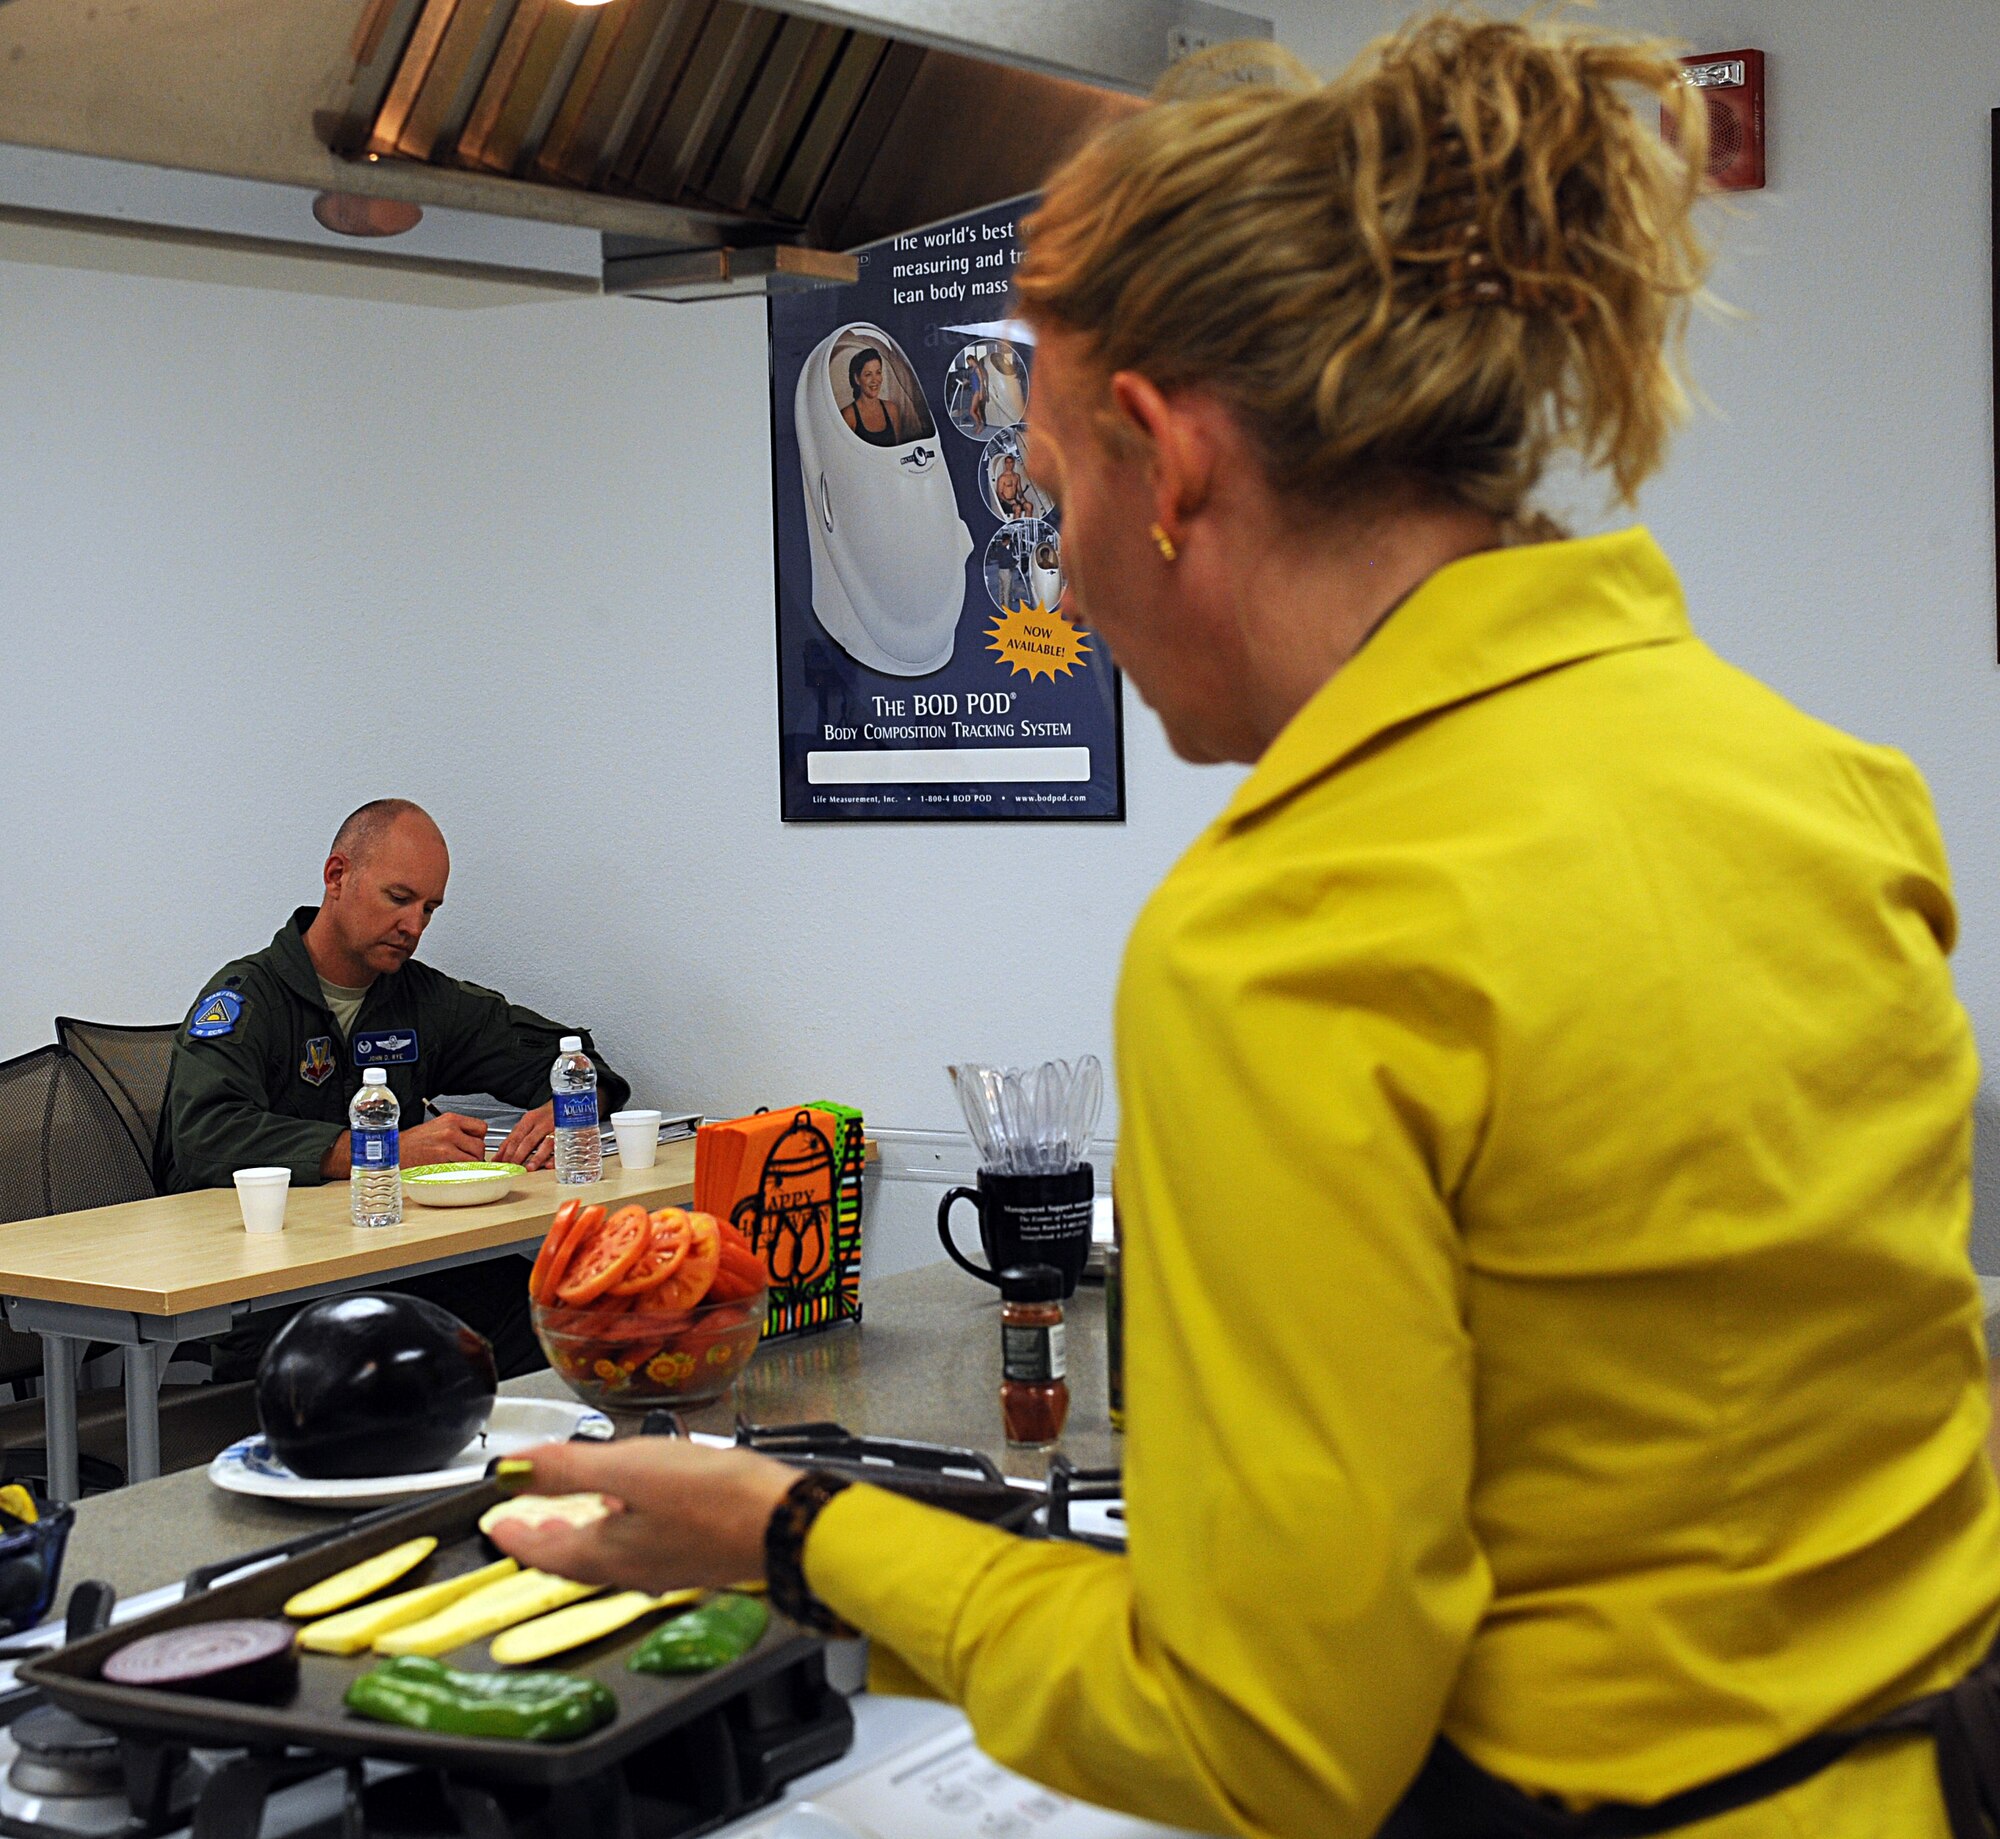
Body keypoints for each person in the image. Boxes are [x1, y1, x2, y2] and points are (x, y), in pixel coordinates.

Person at [493, 15, 2000, 1838]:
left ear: (1167, 459)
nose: (1054, 551)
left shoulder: (1295, 930)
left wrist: (796, 1534)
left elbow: (1269, 1738)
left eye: (1044, 481)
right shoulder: (1816, 781)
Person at [157, 799, 630, 1376]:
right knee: (407, 1357)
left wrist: (574, 1105)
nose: (415, 927)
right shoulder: (245, 999)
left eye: (430, 908)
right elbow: (206, 1135)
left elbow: (563, 1053)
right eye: (399, 899)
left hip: (390, 1263)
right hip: (269, 1292)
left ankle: (534, 1463)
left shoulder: (417, 998)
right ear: (338, 877)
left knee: (551, 1305)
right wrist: (381, 1151)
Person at [841, 348, 905, 447]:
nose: (875, 380)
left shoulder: (892, 409)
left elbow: (899, 452)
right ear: (857, 379)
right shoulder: (849, 416)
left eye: (878, 372)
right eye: (868, 374)